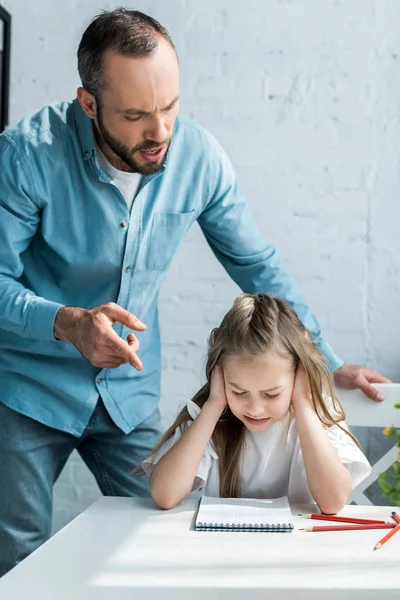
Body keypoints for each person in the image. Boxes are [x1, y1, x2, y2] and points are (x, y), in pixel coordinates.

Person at [0, 8, 386, 576]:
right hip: (28, 390)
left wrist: (323, 363)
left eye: (170, 107)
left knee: (159, 538)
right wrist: (68, 322)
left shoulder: (198, 158)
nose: (159, 132)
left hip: (126, 395)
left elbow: (258, 265)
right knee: (20, 557)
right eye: (135, 115)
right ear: (88, 104)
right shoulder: (25, 155)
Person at [141, 294, 371, 513]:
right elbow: (165, 495)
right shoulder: (209, 415)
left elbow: (333, 502)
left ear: (298, 375)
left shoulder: (319, 414)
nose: (255, 409)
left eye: (271, 394)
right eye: (239, 392)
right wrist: (214, 404)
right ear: (219, 376)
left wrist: (302, 403)